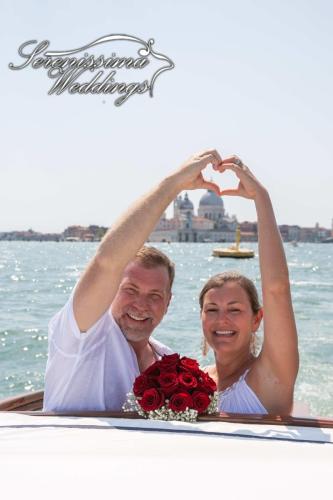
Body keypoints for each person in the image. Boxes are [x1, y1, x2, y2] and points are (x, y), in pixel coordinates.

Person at [43, 149, 222, 412]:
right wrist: (173, 185)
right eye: (130, 289)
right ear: (111, 289)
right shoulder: (82, 334)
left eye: (155, 295)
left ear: (168, 302)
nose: (141, 304)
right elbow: (106, 261)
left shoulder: (168, 360)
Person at [200, 156, 299, 415]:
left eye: (234, 310)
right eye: (212, 309)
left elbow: (277, 290)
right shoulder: (190, 379)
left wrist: (261, 199)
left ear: (257, 319)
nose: (222, 319)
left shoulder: (271, 376)